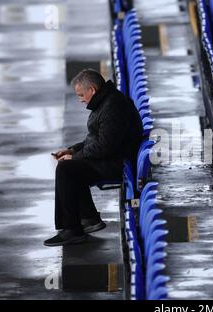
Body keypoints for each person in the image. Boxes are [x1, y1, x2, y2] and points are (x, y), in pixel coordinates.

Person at [44, 69, 143, 246]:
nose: (80, 99)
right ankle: (88, 218)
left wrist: (75, 159)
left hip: (117, 162)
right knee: (70, 166)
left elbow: (105, 146)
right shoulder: (106, 101)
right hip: (112, 157)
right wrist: (72, 151)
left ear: (92, 89)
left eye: (81, 94)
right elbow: (95, 139)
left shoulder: (113, 107)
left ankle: (72, 229)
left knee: (66, 169)